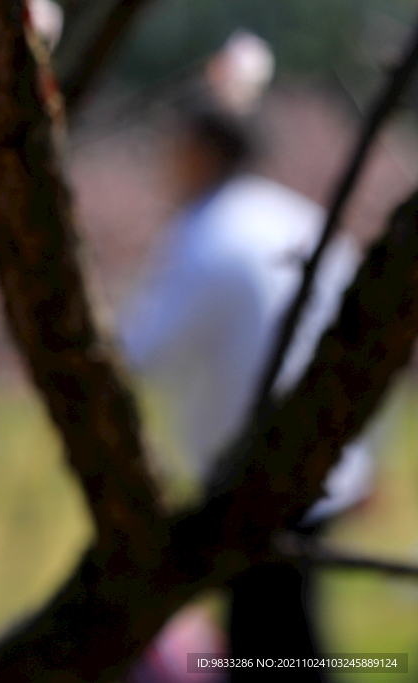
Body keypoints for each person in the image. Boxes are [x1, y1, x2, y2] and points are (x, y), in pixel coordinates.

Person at [119, 32, 372, 682]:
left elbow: (138, 352)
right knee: (284, 631)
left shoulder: (205, 237)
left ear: (202, 153)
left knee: (269, 641)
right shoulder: (299, 219)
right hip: (319, 462)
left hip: (247, 475)